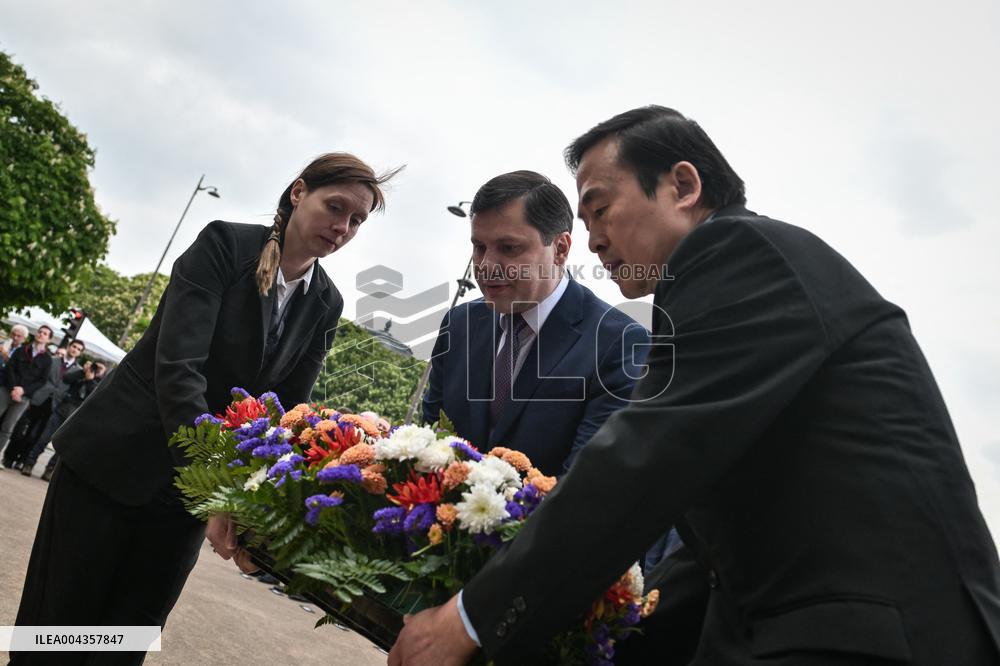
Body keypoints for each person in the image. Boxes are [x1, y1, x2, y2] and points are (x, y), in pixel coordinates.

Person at [388, 106, 1000, 665]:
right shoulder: (712, 286)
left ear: (683, 186)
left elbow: (638, 464)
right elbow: (702, 541)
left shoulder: (739, 252)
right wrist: (616, 637)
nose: (596, 238)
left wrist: (469, 620)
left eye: (601, 208)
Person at [12, 152, 399, 666]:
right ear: (298, 192)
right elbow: (177, 368)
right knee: (56, 635)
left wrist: (257, 502)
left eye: (357, 220)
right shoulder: (224, 244)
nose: (343, 227)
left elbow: (282, 414)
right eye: (336, 207)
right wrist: (215, 483)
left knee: (124, 643)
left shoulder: (326, 302)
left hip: (186, 500)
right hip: (114, 463)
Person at [422, 170, 649, 476]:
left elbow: (585, 485)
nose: (486, 265)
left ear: (561, 249)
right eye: (479, 246)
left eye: (509, 248)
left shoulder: (619, 344)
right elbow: (426, 443)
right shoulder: (459, 323)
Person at [19, 341, 95, 478]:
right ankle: (28, 463)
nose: (75, 350)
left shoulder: (97, 382)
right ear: (69, 347)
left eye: (78, 349)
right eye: (74, 346)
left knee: (62, 446)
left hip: (74, 416)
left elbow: (92, 394)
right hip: (59, 409)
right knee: (42, 438)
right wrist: (83, 372)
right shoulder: (78, 372)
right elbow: (66, 379)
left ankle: (49, 470)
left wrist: (90, 379)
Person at [1, 325, 53, 468]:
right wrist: (14, 388)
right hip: (7, 390)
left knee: (8, 427)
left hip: (24, 397)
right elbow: (10, 369)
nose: (41, 334)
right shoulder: (21, 350)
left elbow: (42, 381)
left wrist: (23, 390)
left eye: (45, 333)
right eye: (40, 331)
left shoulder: (47, 359)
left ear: (49, 339)